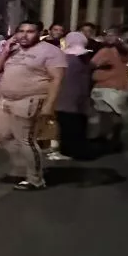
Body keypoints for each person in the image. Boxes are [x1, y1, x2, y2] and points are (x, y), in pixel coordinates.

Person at [0, 20, 66, 190]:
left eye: (30, 32)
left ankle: (35, 179)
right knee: (0, 135)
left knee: (26, 139)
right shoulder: (13, 49)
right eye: (21, 31)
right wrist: (5, 50)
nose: (24, 35)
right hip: (6, 99)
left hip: (30, 99)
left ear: (39, 34)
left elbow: (56, 80)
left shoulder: (50, 51)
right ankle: (23, 168)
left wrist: (49, 106)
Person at [51, 31, 93, 161]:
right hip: (81, 96)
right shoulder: (84, 57)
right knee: (78, 125)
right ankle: (78, 150)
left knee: (67, 126)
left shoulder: (67, 58)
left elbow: (59, 78)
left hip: (65, 97)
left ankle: (67, 152)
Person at [89, 27, 128, 152]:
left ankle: (109, 139)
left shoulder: (106, 50)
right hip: (117, 86)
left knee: (109, 114)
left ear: (118, 36)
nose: (108, 37)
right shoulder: (124, 50)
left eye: (112, 35)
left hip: (109, 85)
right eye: (107, 35)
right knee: (109, 113)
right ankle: (109, 138)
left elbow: (92, 64)